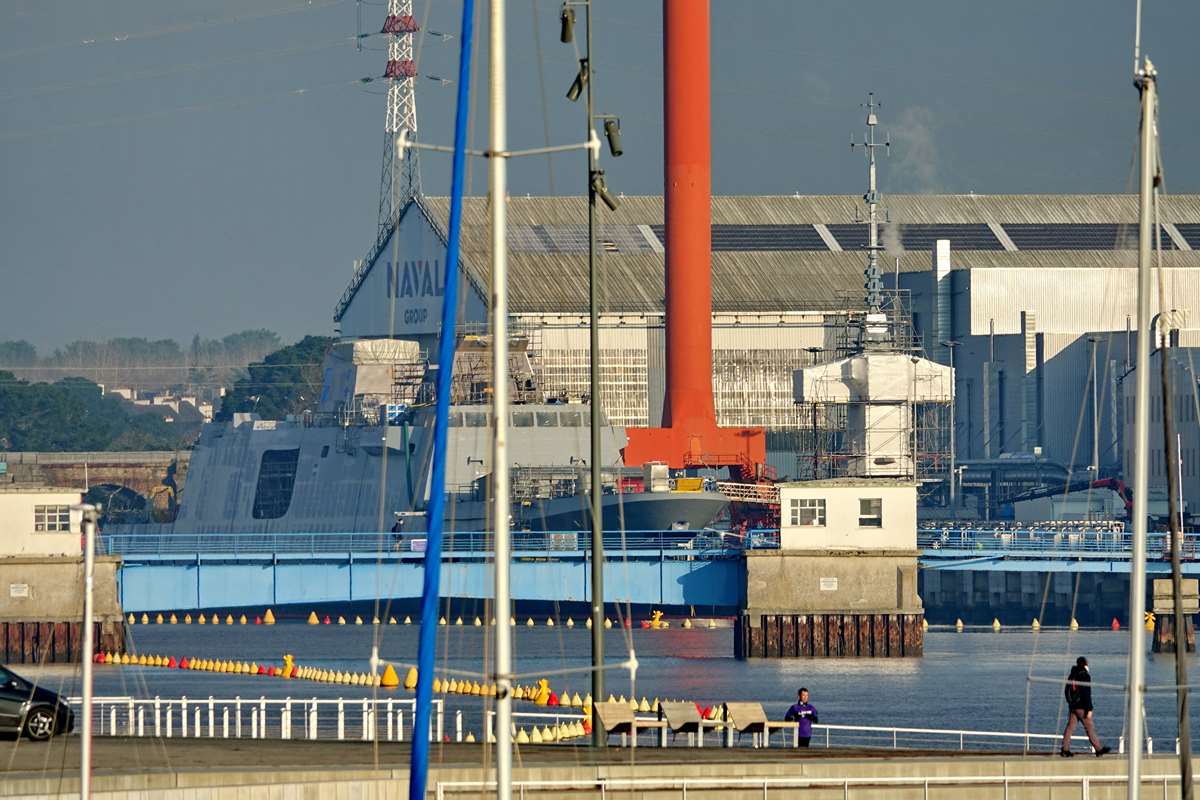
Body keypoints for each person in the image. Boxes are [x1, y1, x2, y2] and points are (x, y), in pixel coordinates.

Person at [1061, 656, 1111, 757]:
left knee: (1070, 727)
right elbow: (1086, 693)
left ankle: (1065, 750)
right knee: (1089, 727)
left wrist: (1070, 702)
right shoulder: (1084, 675)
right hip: (1082, 707)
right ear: (1085, 664)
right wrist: (1089, 708)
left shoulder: (1072, 674)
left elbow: (1066, 690)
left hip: (1073, 706)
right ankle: (1099, 749)